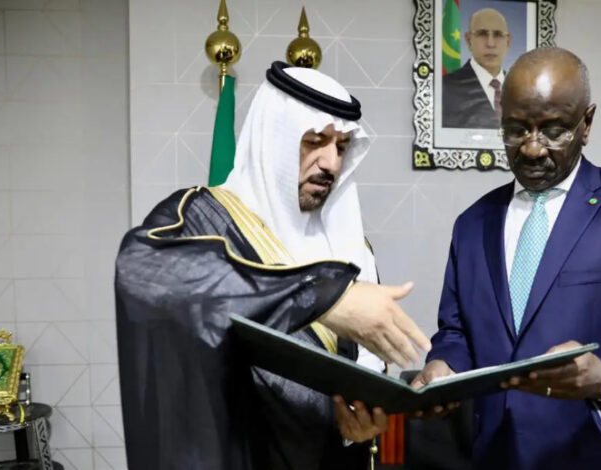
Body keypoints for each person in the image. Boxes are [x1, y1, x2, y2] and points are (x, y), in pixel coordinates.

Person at [115, 61, 430, 470]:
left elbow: (359, 377)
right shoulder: (200, 218)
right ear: (274, 138)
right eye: (314, 140)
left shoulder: (351, 246)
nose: (331, 163)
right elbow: (143, 272)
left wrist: (359, 421)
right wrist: (321, 298)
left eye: (341, 147)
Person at [414, 47, 601, 469]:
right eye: (516, 129)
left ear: (586, 123)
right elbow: (456, 331)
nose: (532, 149)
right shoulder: (472, 224)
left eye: (553, 130)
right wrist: (444, 365)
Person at [443, 8, 512, 129]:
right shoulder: (445, 88)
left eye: (498, 34)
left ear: (508, 41)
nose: (490, 44)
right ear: (469, 40)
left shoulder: (520, 89)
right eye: (482, 34)